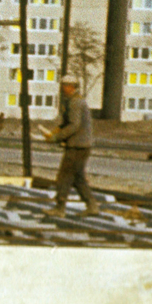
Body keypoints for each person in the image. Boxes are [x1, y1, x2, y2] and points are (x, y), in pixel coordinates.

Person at [46, 76, 98, 215]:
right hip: (82, 146)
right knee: (78, 178)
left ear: (71, 86)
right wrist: (54, 133)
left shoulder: (75, 103)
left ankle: (59, 208)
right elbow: (66, 123)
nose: (62, 88)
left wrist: (57, 137)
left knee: (65, 176)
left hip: (77, 147)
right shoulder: (74, 101)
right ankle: (92, 206)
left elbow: (74, 125)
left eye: (65, 85)